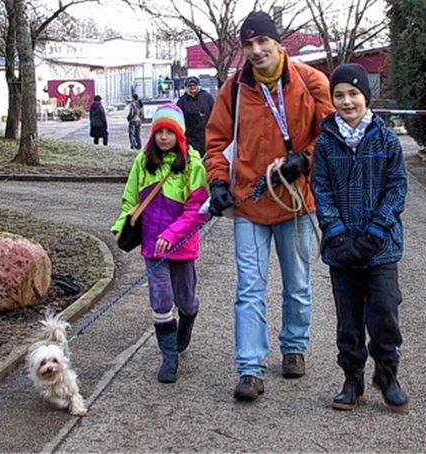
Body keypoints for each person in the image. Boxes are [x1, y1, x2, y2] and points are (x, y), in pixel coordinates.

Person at [204, 10, 335, 402]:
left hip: (294, 202)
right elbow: (215, 141)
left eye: (262, 41)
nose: (256, 50)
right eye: (248, 44)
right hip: (249, 203)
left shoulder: (311, 82)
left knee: (297, 284)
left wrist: (305, 159)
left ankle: (294, 346)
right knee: (249, 288)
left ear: (278, 43)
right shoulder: (233, 89)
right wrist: (218, 182)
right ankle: (250, 368)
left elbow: (331, 134)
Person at [311, 63, 409, 413]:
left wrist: (376, 231)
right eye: (339, 95)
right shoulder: (326, 142)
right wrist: (336, 233)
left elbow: (396, 188)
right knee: (348, 318)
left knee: (384, 313)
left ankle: (387, 373)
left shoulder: (386, 139)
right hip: (342, 249)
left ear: (366, 97)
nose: (347, 101)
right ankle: (352, 378)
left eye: (353, 94)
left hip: (379, 247)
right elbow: (321, 189)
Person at [111, 104, 210, 383]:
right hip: (153, 246)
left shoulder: (192, 165)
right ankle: (169, 357)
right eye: (159, 132)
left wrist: (172, 235)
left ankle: (187, 320)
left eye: (169, 132)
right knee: (161, 297)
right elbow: (130, 199)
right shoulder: (142, 162)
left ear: (179, 134)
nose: (164, 137)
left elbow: (197, 209)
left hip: (182, 245)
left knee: (186, 299)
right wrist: (121, 226)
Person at [175, 76, 215, 158]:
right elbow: (178, 119)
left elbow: (214, 112)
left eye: (194, 85)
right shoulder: (181, 101)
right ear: (186, 87)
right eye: (190, 85)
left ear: (198, 85)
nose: (192, 87)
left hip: (206, 134)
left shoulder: (207, 97)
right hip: (190, 136)